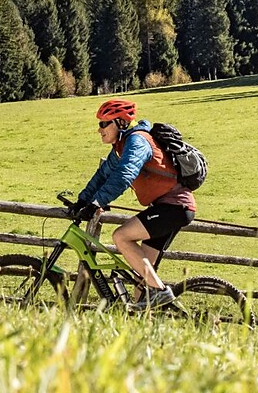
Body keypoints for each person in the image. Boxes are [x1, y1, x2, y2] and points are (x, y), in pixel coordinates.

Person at [68, 97, 196, 312]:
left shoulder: (137, 141)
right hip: (165, 208)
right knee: (142, 282)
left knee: (120, 236)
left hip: (174, 207)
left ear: (120, 123)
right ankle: (145, 326)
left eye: (103, 123)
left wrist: (98, 202)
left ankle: (161, 292)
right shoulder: (121, 146)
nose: (99, 130)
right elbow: (103, 175)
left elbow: (124, 174)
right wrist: (83, 200)